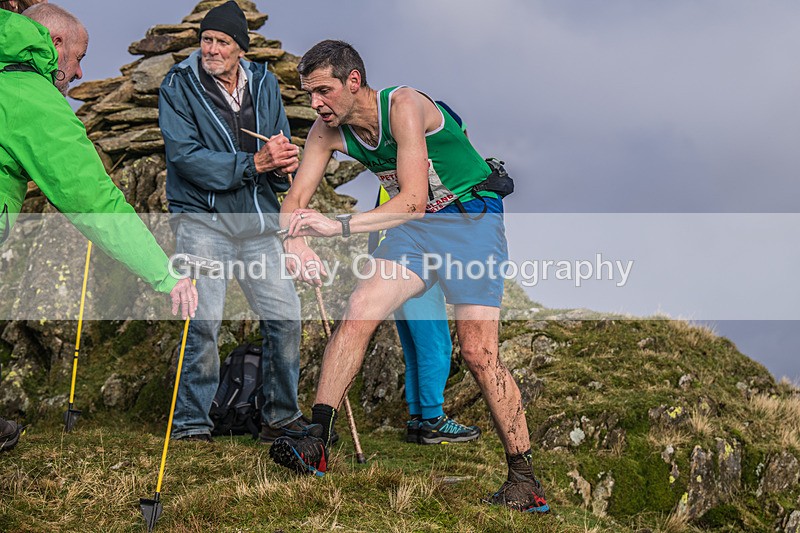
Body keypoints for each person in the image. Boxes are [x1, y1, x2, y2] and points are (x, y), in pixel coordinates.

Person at [269, 40, 550, 513]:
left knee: (479, 353)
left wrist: (335, 225)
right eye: (308, 94)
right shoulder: (327, 130)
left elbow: (414, 199)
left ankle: (525, 480)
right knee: (359, 311)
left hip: (470, 221)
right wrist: (293, 240)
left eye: (322, 91)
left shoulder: (403, 105)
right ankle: (317, 440)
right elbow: (294, 201)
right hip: (415, 232)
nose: (315, 104)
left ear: (352, 81)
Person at [0, 4, 197, 452]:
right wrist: (164, 274)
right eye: (78, 57)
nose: (79, 73)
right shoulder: (28, 95)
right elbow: (93, 201)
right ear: (53, 43)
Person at [158, 1, 307, 443]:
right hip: (203, 222)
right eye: (207, 39)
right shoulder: (179, 84)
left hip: (258, 222)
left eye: (222, 41)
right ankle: (191, 423)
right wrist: (254, 163)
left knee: (285, 317)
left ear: (241, 47)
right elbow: (185, 158)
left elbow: (276, 145)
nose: (212, 48)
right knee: (203, 323)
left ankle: (279, 418)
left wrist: (282, 165)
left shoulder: (264, 83)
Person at [368, 102, 480, 446]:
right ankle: (432, 418)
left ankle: (419, 419)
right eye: (457, 134)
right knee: (435, 344)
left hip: (387, 261)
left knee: (415, 345)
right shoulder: (425, 175)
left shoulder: (397, 168)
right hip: (416, 264)